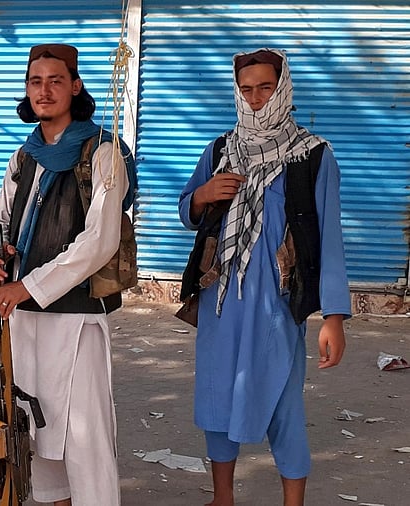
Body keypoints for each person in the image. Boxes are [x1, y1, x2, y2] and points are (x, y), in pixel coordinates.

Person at [177, 48, 350, 506]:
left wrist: (333, 317)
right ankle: (222, 497)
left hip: (277, 304)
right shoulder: (220, 149)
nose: (255, 99)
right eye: (246, 89)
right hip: (220, 301)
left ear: (283, 88)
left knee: (282, 401)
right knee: (217, 400)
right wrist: (202, 195)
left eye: (265, 88)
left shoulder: (312, 156)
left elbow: (328, 236)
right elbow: (187, 211)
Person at [0, 43, 132, 506]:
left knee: (84, 434)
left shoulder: (103, 153)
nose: (44, 91)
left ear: (75, 86)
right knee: (36, 424)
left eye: (54, 81)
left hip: (75, 317)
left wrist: (28, 285)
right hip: (23, 316)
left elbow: (100, 241)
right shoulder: (24, 155)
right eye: (35, 81)